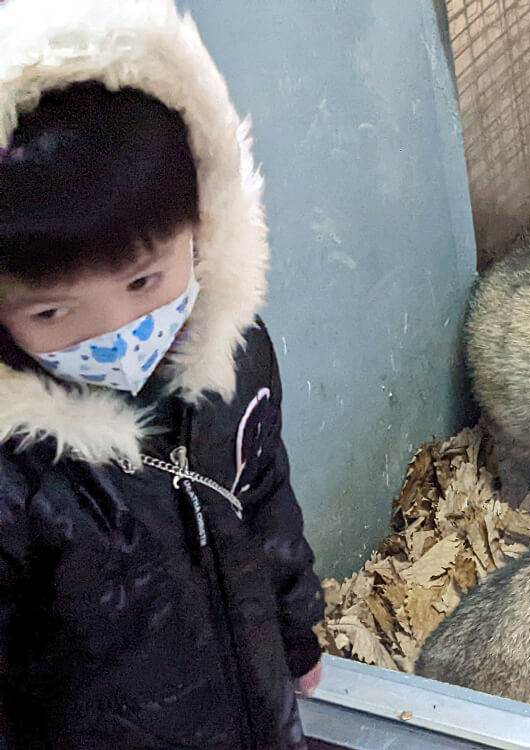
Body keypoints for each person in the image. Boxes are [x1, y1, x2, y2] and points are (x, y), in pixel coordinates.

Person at [0, 1, 325, 748]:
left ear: (205, 227)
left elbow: (266, 498)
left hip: (256, 707)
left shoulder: (232, 355)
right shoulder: (17, 476)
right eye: (53, 313)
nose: (115, 331)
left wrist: (296, 633)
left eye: (144, 281)